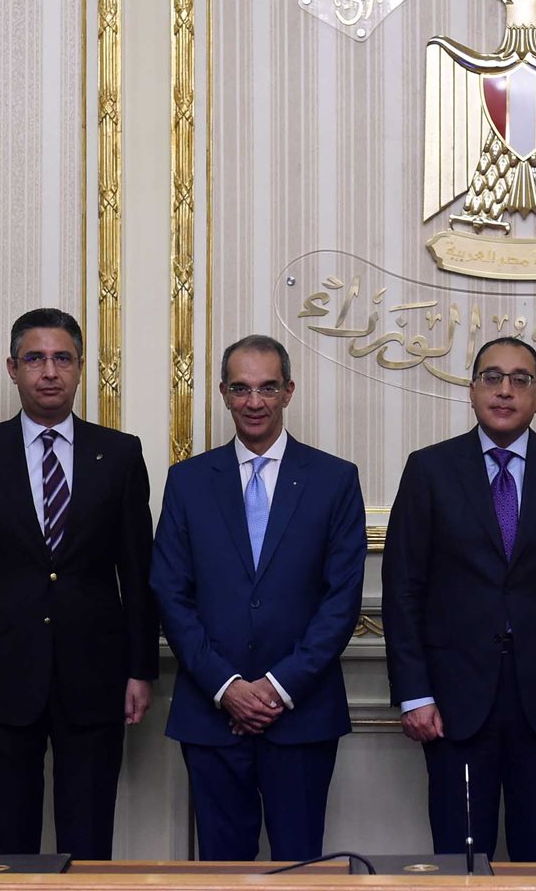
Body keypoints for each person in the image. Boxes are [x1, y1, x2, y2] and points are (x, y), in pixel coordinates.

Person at [381, 336, 536, 862]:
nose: (505, 390)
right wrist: (414, 694)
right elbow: (402, 590)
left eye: (520, 380)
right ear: (471, 391)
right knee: (461, 858)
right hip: (453, 701)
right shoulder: (429, 469)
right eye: (492, 378)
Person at [0, 307, 158, 859]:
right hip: (1, 679)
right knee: (7, 845)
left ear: (81, 368)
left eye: (63, 359)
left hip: (97, 680)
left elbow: (138, 573)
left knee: (89, 843)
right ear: (13, 368)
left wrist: (141, 669)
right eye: (35, 358)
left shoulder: (120, 454)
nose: (49, 371)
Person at [150, 335, 366, 861]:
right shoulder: (187, 481)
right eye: (241, 388)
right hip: (211, 714)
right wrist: (227, 687)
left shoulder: (335, 480)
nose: (254, 402)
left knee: (300, 867)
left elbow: (341, 600)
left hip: (302, 714)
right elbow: (170, 594)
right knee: (222, 873)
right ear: (223, 392)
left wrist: (276, 688)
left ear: (288, 391)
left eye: (267, 388)